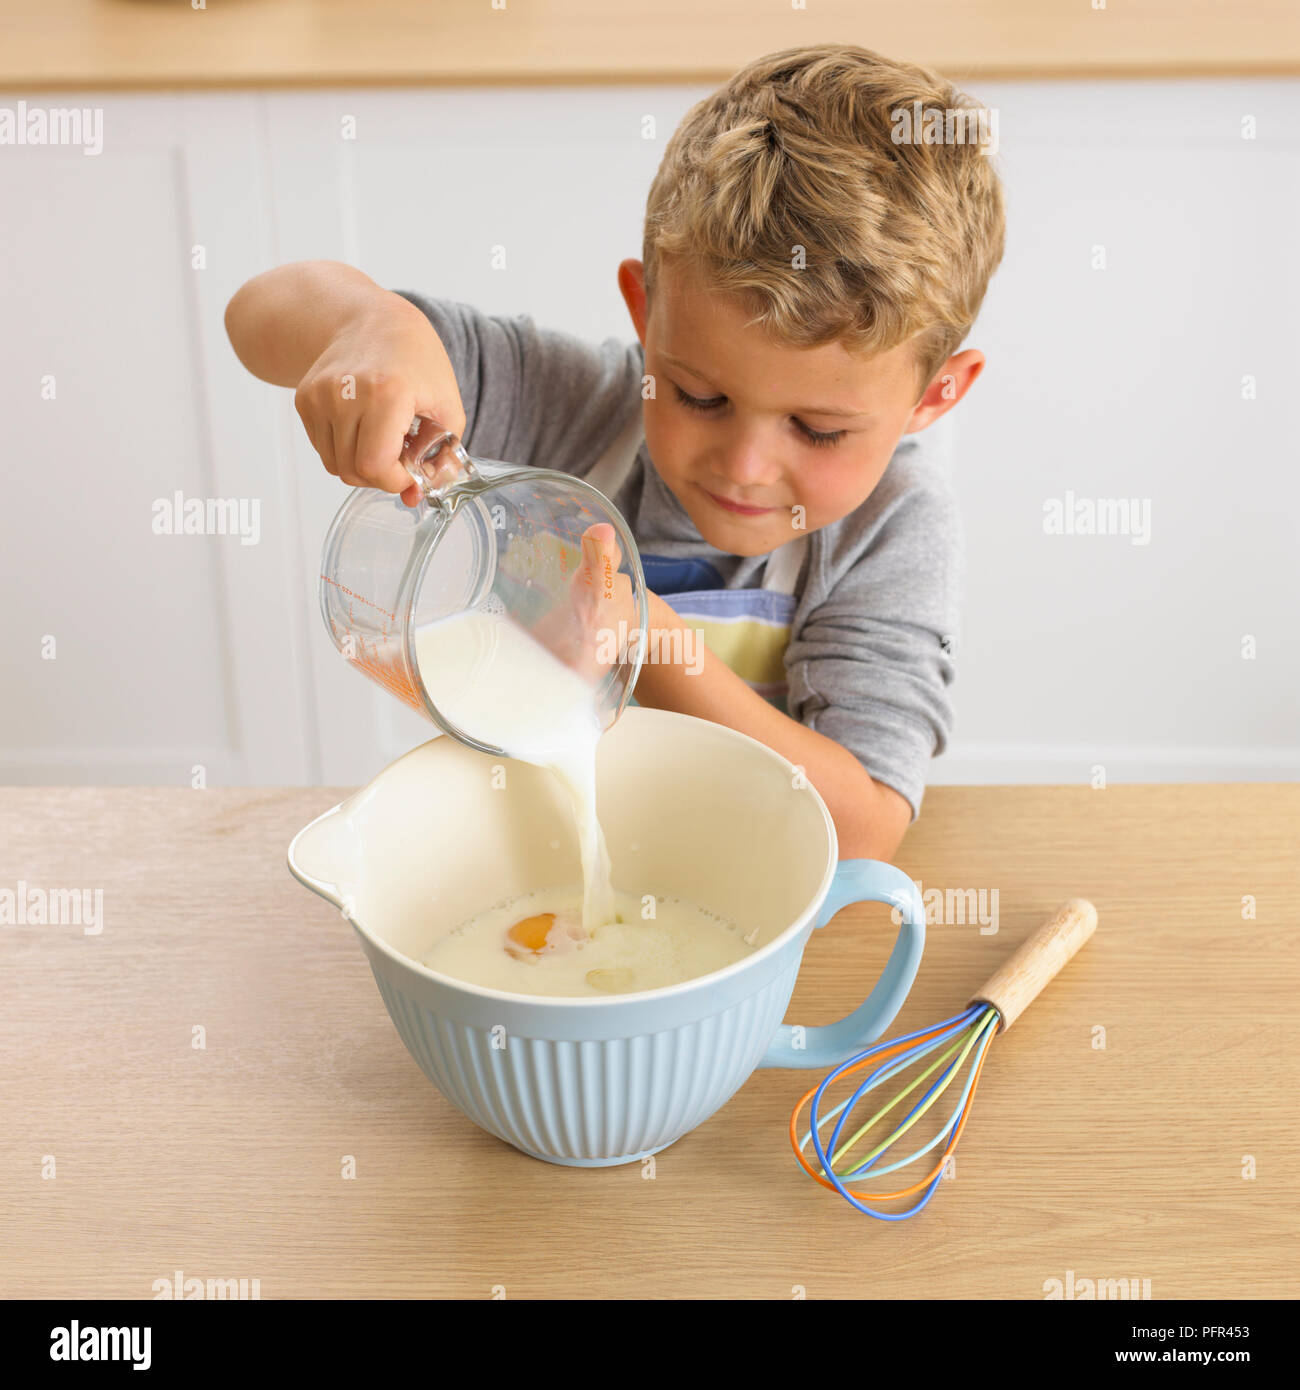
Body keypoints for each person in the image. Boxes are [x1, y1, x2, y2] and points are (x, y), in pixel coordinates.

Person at [225, 42, 1005, 862]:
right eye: (700, 396)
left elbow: (861, 828)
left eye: (817, 430)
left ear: (934, 396)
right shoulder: (570, 405)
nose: (744, 464)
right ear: (646, 312)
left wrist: (646, 633)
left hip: (753, 918)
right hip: (525, 879)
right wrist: (367, 328)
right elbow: (257, 311)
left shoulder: (892, 525)